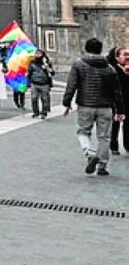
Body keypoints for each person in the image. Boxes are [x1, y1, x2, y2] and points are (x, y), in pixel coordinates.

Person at [62, 38, 126, 176]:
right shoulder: (109, 68)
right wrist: (120, 109)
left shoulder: (79, 64)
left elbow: (71, 85)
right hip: (106, 107)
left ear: (86, 48)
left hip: (86, 105)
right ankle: (102, 165)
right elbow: (116, 91)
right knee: (105, 137)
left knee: (83, 132)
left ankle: (90, 154)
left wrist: (67, 102)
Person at [107, 47, 129, 154]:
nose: (127, 57)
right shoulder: (112, 69)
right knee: (115, 123)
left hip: (127, 99)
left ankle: (127, 145)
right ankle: (114, 145)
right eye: (125, 54)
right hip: (116, 100)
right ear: (117, 57)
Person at [27, 50, 55, 120]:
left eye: (39, 53)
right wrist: (28, 79)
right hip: (34, 82)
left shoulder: (46, 63)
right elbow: (29, 72)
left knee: (44, 99)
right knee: (34, 98)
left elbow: (52, 73)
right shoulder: (32, 62)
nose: (37, 55)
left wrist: (47, 68)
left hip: (44, 83)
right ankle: (36, 112)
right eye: (36, 53)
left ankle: (44, 112)